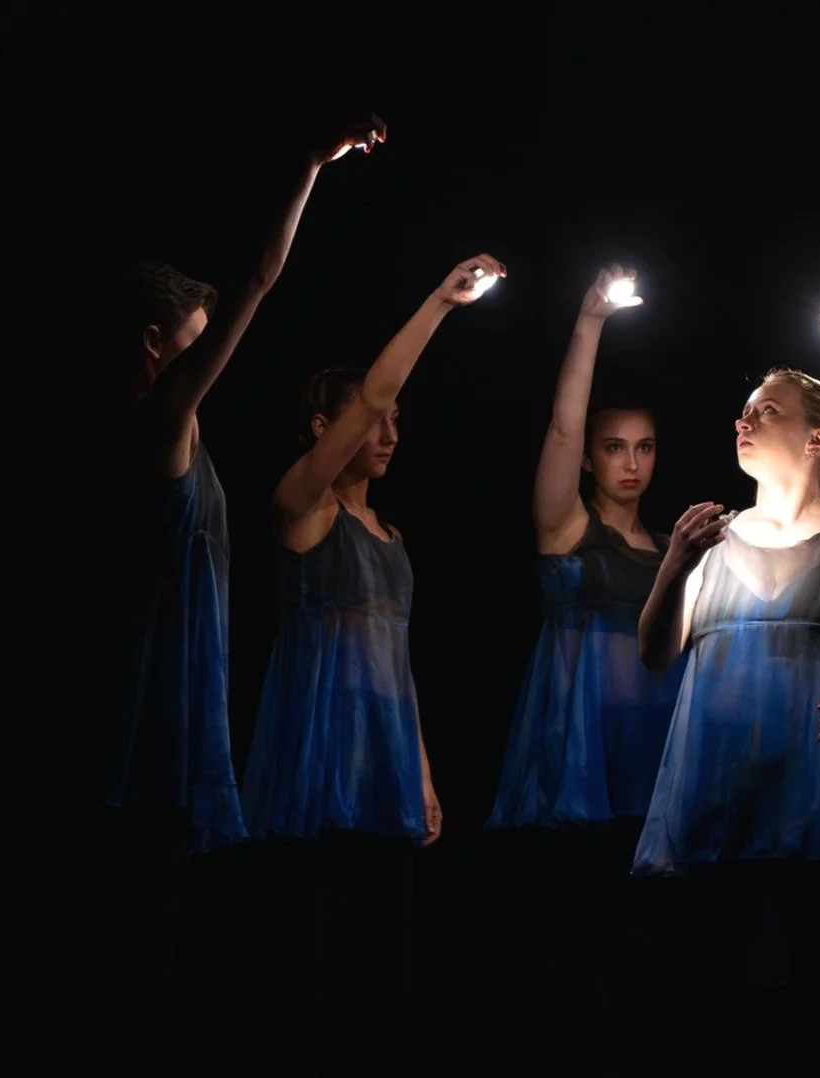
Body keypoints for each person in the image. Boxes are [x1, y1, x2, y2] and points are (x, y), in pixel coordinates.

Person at [75, 114, 387, 1075]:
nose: (211, 361)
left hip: (182, 700)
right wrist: (309, 166)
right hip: (149, 705)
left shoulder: (180, 434)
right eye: (194, 344)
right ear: (154, 346)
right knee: (133, 943)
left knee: (160, 939)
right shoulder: (156, 424)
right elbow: (260, 277)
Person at [241, 253, 505, 1070]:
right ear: (327, 429)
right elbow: (371, 399)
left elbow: (398, 666)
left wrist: (420, 774)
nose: (388, 434)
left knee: (382, 963)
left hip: (383, 763)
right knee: (310, 954)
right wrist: (439, 304)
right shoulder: (305, 509)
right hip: (319, 758)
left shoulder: (392, 538)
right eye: (372, 420)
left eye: (395, 422)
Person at [634, 367, 820, 1075]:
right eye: (744, 410)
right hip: (718, 797)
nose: (744, 421)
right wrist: (674, 564)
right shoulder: (712, 537)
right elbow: (657, 653)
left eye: (766, 411)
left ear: (817, 439)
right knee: (706, 1000)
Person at [485, 265, 684, 1071]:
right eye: (614, 448)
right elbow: (563, 430)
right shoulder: (567, 526)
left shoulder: (671, 546)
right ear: (593, 460)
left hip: (649, 755)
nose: (630, 462)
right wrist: (591, 320)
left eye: (644, 447)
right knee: (570, 940)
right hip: (577, 753)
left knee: (643, 948)